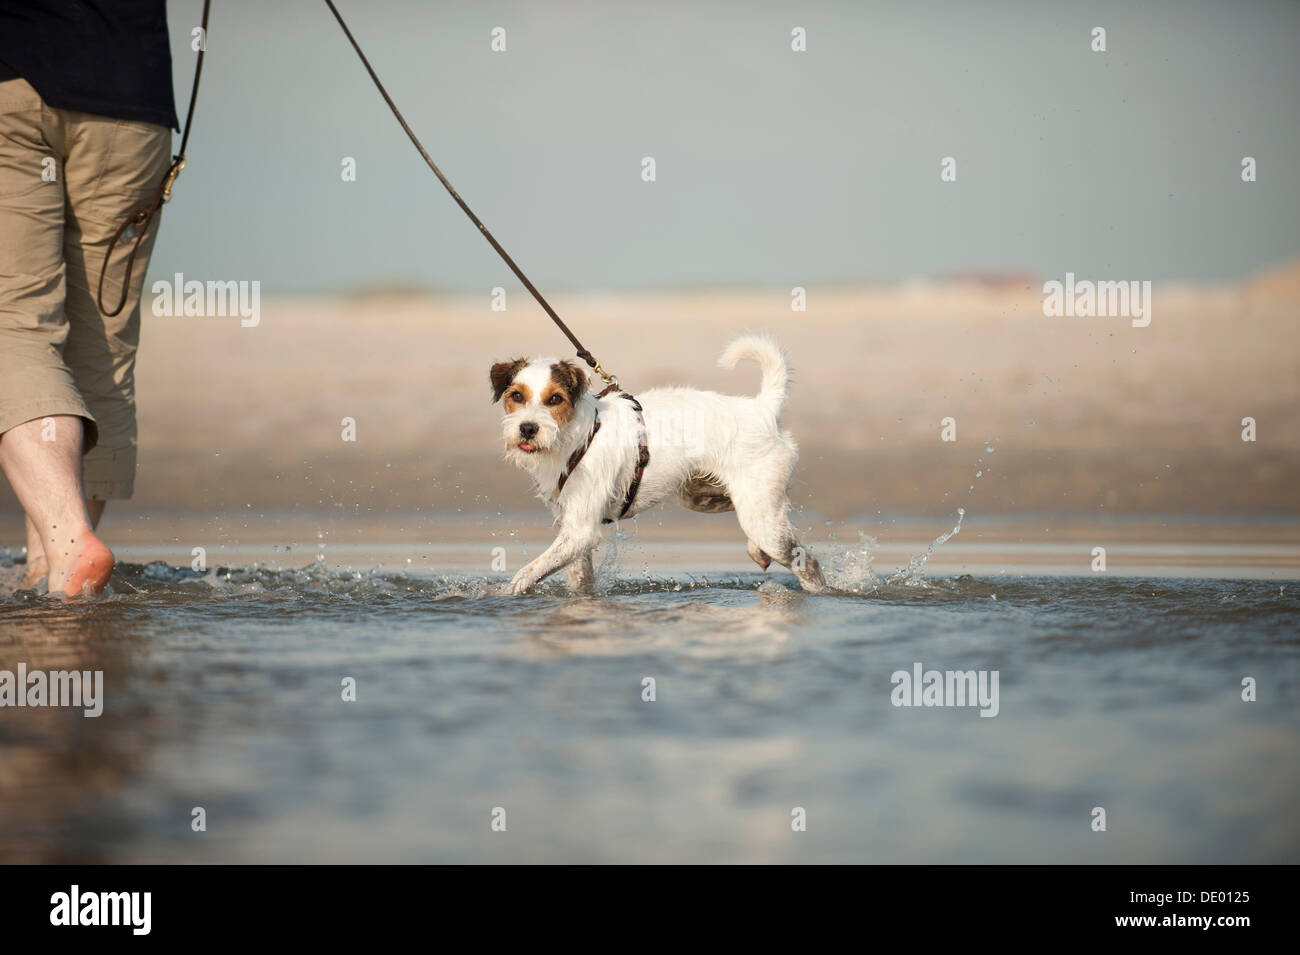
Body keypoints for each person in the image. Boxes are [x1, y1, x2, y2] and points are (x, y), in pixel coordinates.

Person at [0, 0, 179, 595]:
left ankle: (66, 542)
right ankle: (48, 567)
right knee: (105, 337)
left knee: (15, 324)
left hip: (13, 78)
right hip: (131, 96)